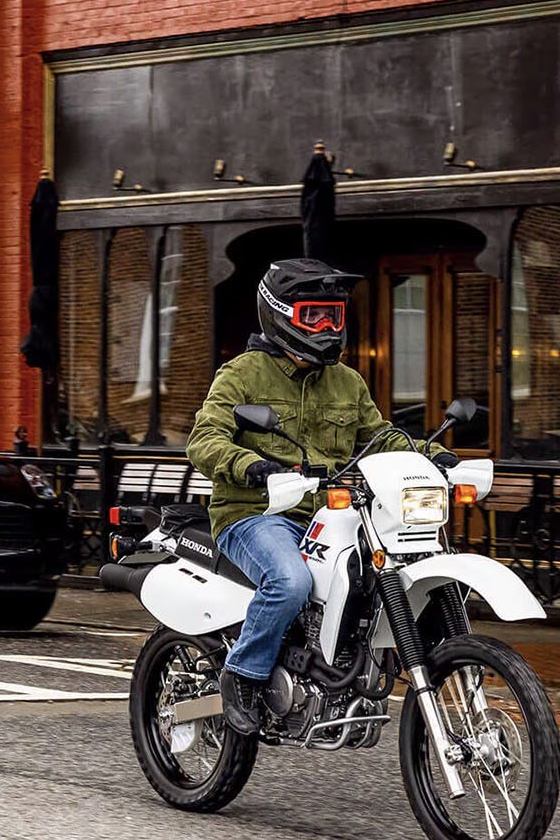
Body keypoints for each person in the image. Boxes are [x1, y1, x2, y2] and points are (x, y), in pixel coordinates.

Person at [188, 258, 455, 735]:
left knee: (391, 567)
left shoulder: (347, 382)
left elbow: (381, 437)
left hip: (332, 515)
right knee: (289, 581)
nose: (328, 327)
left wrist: (434, 454)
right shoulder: (242, 375)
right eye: (315, 316)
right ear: (279, 314)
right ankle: (242, 676)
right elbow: (204, 440)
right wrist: (253, 467)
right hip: (256, 513)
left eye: (335, 317)